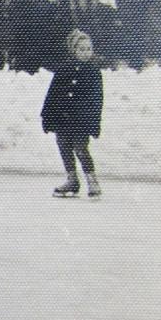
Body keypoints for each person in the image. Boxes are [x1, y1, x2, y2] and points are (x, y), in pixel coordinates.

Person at [40, 29, 104, 198]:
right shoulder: (64, 70)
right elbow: (52, 95)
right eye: (82, 49)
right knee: (64, 147)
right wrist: (47, 117)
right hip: (62, 119)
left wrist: (94, 122)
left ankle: (92, 180)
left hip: (81, 120)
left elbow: (97, 100)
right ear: (74, 50)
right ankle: (72, 179)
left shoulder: (93, 72)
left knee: (81, 148)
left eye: (89, 49)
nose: (86, 53)